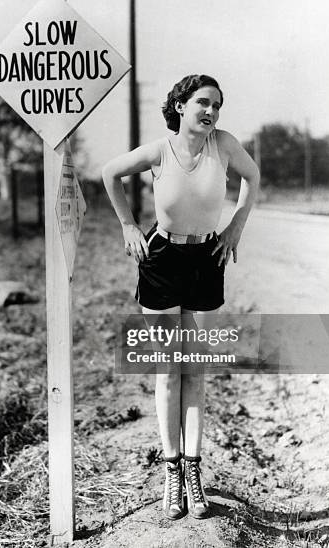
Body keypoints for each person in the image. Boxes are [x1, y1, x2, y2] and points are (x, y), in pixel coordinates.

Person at [102, 74, 259, 520]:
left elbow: (253, 177)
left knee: (197, 370)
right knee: (169, 369)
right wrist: (129, 225)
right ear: (181, 105)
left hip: (207, 258)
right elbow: (110, 172)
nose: (210, 112)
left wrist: (235, 227)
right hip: (163, 260)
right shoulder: (159, 151)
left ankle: (194, 473)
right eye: (203, 103)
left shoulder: (224, 145)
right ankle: (172, 473)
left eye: (217, 106)